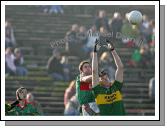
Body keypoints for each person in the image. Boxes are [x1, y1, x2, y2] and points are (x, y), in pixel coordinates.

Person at [91, 39, 126, 115]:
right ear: (99, 81)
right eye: (102, 78)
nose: (105, 78)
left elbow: (120, 67)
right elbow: (94, 71)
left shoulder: (116, 87)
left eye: (106, 76)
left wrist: (113, 50)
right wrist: (95, 52)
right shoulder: (98, 90)